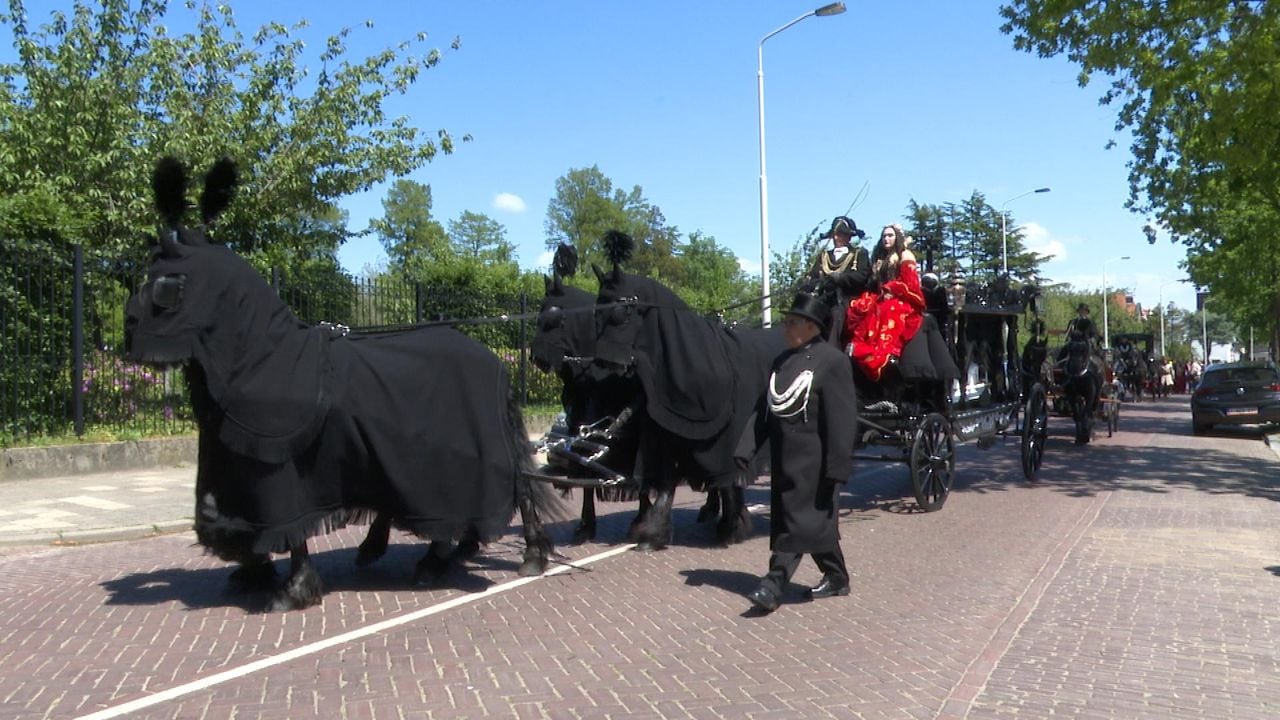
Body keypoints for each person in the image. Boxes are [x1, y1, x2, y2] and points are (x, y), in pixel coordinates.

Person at [742, 291, 857, 614]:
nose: (786, 328)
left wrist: (837, 467)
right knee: (810, 524)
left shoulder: (832, 362)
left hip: (815, 462)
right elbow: (765, 409)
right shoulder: (782, 361)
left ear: (811, 327)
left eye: (792, 322)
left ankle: (773, 584)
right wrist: (745, 449)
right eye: (787, 321)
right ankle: (837, 576)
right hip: (785, 459)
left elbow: (842, 419)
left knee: (797, 524)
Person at [844, 224, 925, 384]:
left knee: (890, 310)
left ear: (897, 237)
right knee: (861, 307)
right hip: (880, 296)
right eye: (884, 236)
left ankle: (887, 353)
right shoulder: (880, 258)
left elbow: (911, 283)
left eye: (890, 235)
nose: (886, 239)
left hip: (902, 297)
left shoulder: (904, 255)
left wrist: (892, 288)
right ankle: (859, 349)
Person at [804, 216, 872, 348]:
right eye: (834, 234)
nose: (836, 238)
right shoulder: (824, 256)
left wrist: (840, 278)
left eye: (840, 234)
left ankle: (831, 350)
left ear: (849, 236)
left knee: (836, 313)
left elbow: (862, 276)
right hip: (825, 298)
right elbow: (812, 277)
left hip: (847, 299)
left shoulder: (859, 253)